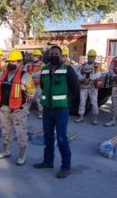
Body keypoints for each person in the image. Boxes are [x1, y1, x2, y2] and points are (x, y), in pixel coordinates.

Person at [33, 46, 79, 179]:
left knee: (61, 139)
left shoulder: (67, 69)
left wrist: (67, 102)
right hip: (47, 110)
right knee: (48, 137)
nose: (53, 56)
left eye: (56, 54)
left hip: (61, 110)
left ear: (61, 56)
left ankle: (66, 167)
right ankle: (48, 161)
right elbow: (43, 86)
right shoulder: (44, 70)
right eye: (51, 54)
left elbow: (75, 88)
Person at [0, 49, 34, 165]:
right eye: (10, 61)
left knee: (21, 133)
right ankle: (6, 151)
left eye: (14, 62)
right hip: (4, 109)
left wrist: (23, 102)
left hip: (18, 110)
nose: (11, 64)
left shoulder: (25, 76)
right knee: (5, 132)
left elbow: (31, 93)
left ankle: (22, 154)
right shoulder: (3, 74)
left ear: (20, 63)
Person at [75, 50, 102, 125]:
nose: (90, 58)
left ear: (94, 57)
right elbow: (77, 73)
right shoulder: (83, 65)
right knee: (82, 101)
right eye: (89, 57)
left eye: (92, 57)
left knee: (94, 102)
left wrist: (89, 79)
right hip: (83, 86)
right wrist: (82, 79)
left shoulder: (97, 65)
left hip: (93, 87)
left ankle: (95, 118)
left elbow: (98, 74)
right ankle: (81, 117)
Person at [24, 49, 44, 118]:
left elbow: (41, 73)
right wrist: (28, 75)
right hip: (30, 83)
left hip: (38, 83)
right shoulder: (28, 64)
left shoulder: (42, 64)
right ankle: (26, 110)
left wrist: (33, 74)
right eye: (34, 55)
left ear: (39, 57)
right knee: (29, 97)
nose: (35, 57)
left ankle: (41, 112)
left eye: (36, 56)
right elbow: (24, 72)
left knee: (39, 98)